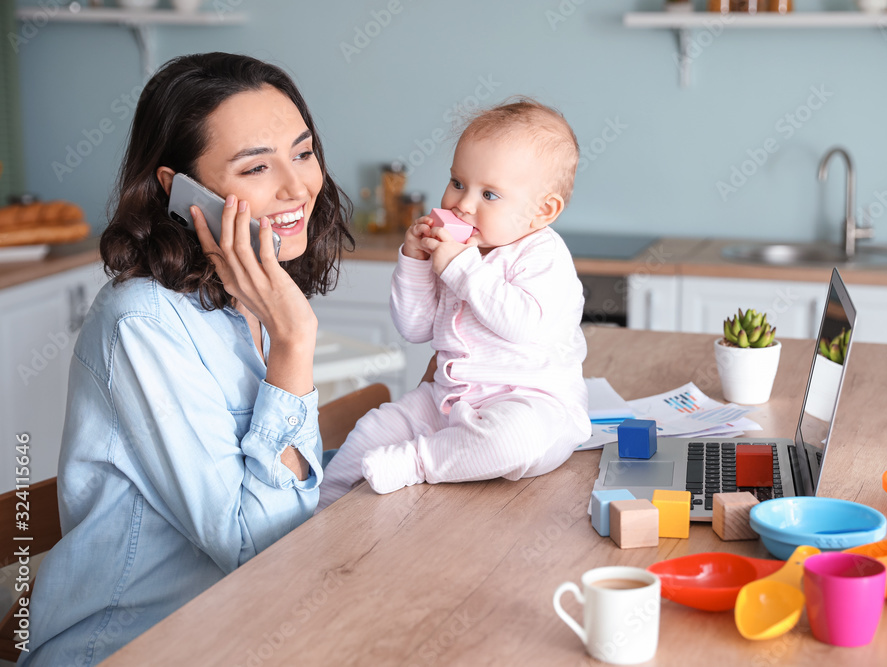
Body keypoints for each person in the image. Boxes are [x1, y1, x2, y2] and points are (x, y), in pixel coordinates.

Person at [20, 53, 353, 666]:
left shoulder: (248, 290)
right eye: (257, 166)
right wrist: (293, 342)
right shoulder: (143, 322)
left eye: (302, 153)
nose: (297, 186)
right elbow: (260, 549)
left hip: (249, 629)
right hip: (131, 648)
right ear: (179, 189)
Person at [317, 98, 590, 509]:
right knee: (375, 427)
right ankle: (319, 512)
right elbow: (415, 327)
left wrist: (461, 268)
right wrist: (415, 261)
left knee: (514, 440)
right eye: (458, 183)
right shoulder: (460, 251)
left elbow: (524, 325)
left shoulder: (542, 256)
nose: (462, 204)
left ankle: (417, 462)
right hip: (447, 400)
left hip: (529, 405)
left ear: (542, 211)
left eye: (490, 194)